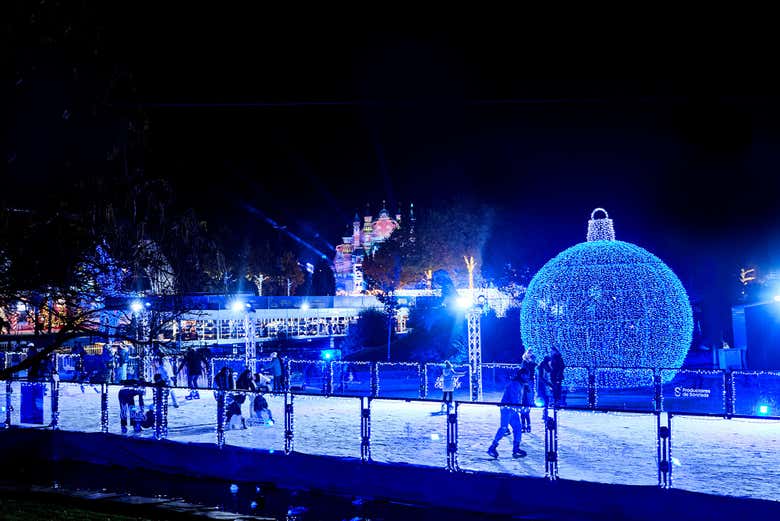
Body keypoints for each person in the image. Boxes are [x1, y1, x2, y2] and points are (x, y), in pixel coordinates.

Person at [487, 372, 526, 459]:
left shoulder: (520, 384)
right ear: (522, 375)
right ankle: (492, 447)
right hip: (507, 408)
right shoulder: (515, 384)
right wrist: (520, 408)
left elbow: (518, 398)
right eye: (526, 375)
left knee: (517, 428)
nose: (528, 377)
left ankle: (516, 448)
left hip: (512, 408)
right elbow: (514, 398)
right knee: (504, 428)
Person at [519, 349, 537, 433]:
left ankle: (528, 425)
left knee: (527, 405)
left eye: (531, 353)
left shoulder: (532, 363)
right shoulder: (524, 362)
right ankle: (523, 425)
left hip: (529, 383)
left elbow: (532, 371)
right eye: (529, 353)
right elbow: (522, 372)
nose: (530, 355)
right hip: (524, 383)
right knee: (523, 405)